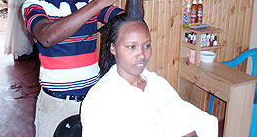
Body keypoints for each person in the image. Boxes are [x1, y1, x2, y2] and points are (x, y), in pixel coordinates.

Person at [21, 0, 147, 136]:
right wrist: (101, 1)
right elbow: (47, 38)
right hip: (56, 105)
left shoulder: (89, 2)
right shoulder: (36, 5)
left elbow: (131, 23)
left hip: (93, 100)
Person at [80, 11, 218, 136]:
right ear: (113, 48)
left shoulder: (156, 84)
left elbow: (184, 120)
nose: (141, 55)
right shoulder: (100, 98)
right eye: (132, 47)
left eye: (147, 45)